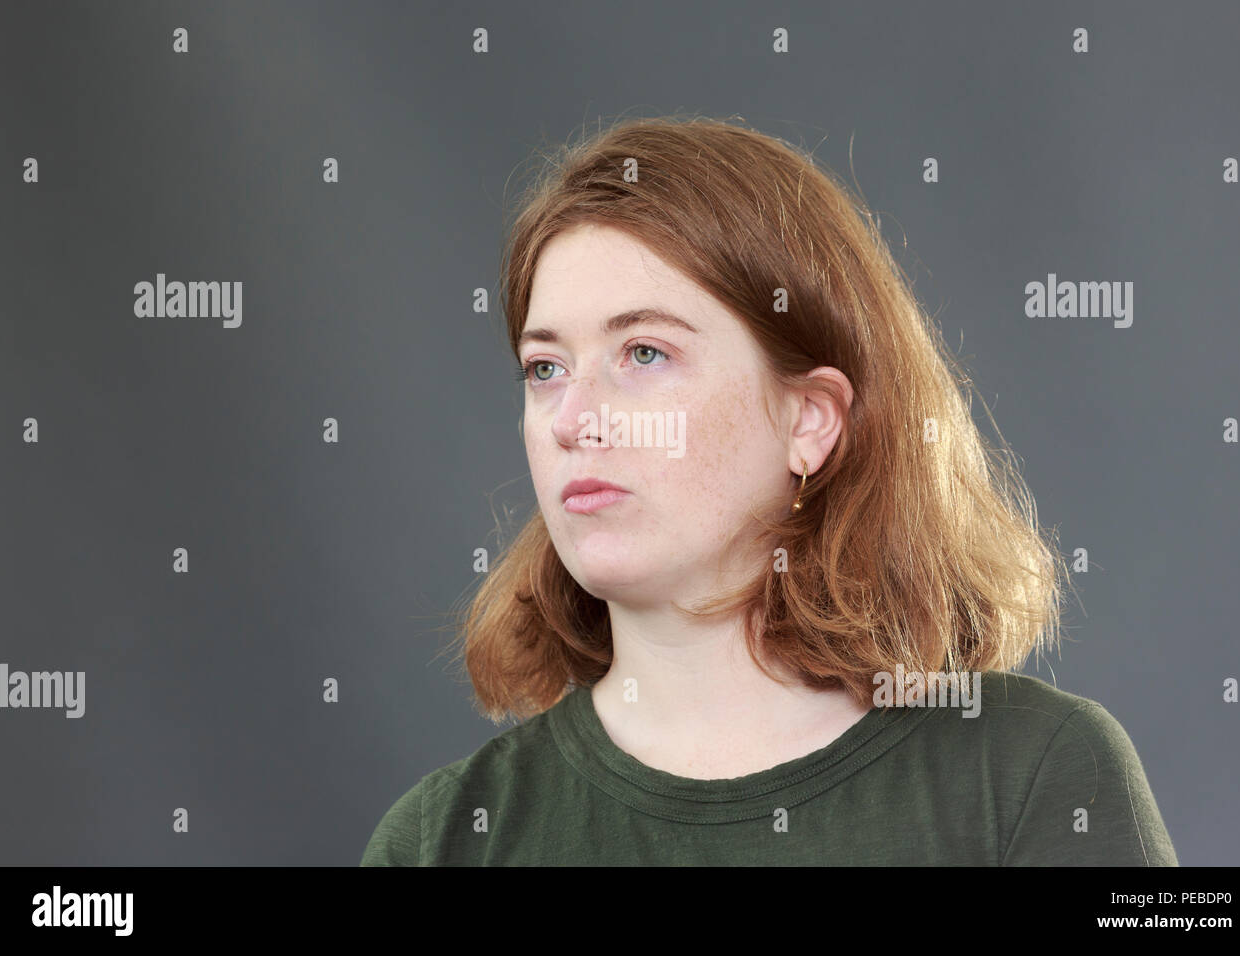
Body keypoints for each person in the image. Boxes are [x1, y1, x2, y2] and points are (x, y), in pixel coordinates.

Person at [361, 115, 1177, 865]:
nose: (573, 418)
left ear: (810, 420)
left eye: (644, 353)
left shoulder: (1034, 771)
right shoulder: (441, 839)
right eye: (546, 368)